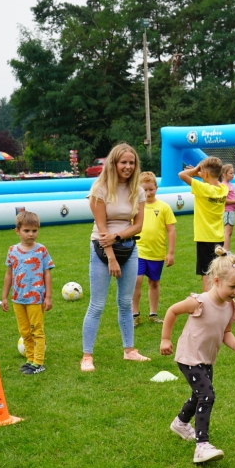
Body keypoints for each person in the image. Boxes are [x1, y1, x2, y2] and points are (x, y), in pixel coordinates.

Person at [161, 247, 235, 464]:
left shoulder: (230, 306)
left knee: (198, 395)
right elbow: (172, 310)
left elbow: (225, 332)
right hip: (189, 357)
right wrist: (165, 339)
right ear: (216, 281)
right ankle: (202, 445)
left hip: (207, 358)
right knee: (207, 395)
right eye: (232, 287)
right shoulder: (199, 302)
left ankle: (180, 423)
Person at [81, 143, 149, 372]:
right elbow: (101, 227)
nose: (128, 167)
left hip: (129, 248)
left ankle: (129, 350)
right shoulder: (99, 188)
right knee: (97, 304)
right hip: (101, 249)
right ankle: (87, 356)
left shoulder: (137, 190)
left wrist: (118, 236)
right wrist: (110, 256)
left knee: (125, 302)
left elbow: (138, 225)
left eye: (131, 163)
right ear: (114, 163)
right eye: (124, 162)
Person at [1, 211, 54, 375]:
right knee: (24, 331)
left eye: (34, 230)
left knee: (36, 330)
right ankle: (30, 359)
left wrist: (48, 297)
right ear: (17, 231)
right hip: (18, 299)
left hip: (36, 299)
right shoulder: (12, 251)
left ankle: (39, 362)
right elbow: (9, 274)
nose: (31, 234)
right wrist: (4, 296)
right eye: (26, 230)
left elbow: (47, 274)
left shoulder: (41, 251)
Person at [133, 171, 177, 326]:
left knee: (154, 283)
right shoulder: (135, 207)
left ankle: (153, 313)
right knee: (136, 281)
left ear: (156, 188)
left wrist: (170, 252)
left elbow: (171, 230)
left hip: (157, 253)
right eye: (144, 190)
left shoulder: (164, 207)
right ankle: (134, 314)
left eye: (151, 189)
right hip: (138, 251)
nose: (148, 193)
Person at [179, 157, 228, 290]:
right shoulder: (224, 189)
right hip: (218, 237)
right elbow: (211, 179)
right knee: (215, 271)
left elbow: (181, 175)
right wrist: (201, 174)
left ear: (205, 174)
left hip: (204, 237)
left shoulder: (202, 188)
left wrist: (194, 170)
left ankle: (208, 302)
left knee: (206, 273)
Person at [220, 164, 235, 252]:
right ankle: (226, 251)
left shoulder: (230, 184)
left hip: (232, 211)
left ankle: (226, 250)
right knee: (227, 232)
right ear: (224, 174)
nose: (233, 175)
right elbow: (224, 201)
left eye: (233, 173)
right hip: (228, 211)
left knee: (229, 232)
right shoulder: (224, 186)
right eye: (230, 173)